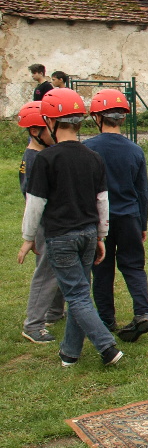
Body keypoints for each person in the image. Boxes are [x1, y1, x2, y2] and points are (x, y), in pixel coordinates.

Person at [18, 88, 123, 367]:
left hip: (61, 237)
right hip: (88, 234)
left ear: (51, 122)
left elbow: (35, 203)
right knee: (81, 294)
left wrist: (28, 238)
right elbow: (102, 200)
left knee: (76, 296)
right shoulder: (93, 156)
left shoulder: (45, 159)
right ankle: (70, 353)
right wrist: (101, 235)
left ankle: (107, 347)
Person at [83, 90, 148, 342]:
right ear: (123, 118)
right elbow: (142, 191)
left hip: (98, 220)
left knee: (101, 269)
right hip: (129, 217)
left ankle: (106, 319)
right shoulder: (135, 150)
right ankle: (142, 312)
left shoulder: (87, 148)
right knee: (133, 265)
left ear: (97, 117)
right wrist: (142, 223)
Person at [16, 100, 64, 343]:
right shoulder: (36, 159)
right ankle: (33, 324)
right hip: (46, 224)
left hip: (50, 222)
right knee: (46, 271)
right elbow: (33, 199)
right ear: (35, 131)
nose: (55, 132)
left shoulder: (37, 155)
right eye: (50, 127)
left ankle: (54, 312)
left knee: (57, 267)